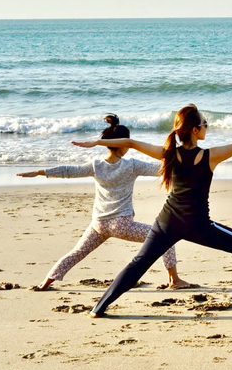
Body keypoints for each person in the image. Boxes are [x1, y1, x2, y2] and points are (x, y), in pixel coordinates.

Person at [72, 104, 232, 316]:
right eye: (205, 124)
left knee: (138, 264)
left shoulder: (169, 154)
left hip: (167, 222)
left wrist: (98, 143)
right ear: (195, 130)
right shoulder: (210, 156)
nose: (207, 127)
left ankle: (98, 307)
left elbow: (131, 143)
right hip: (197, 225)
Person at [17, 114, 190, 290]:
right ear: (124, 143)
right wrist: (182, 157)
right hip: (121, 224)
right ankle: (174, 280)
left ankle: (45, 282)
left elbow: (69, 171)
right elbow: (161, 169)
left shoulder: (96, 165)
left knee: (76, 253)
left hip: (98, 224)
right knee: (165, 238)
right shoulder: (131, 165)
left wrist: (39, 172)